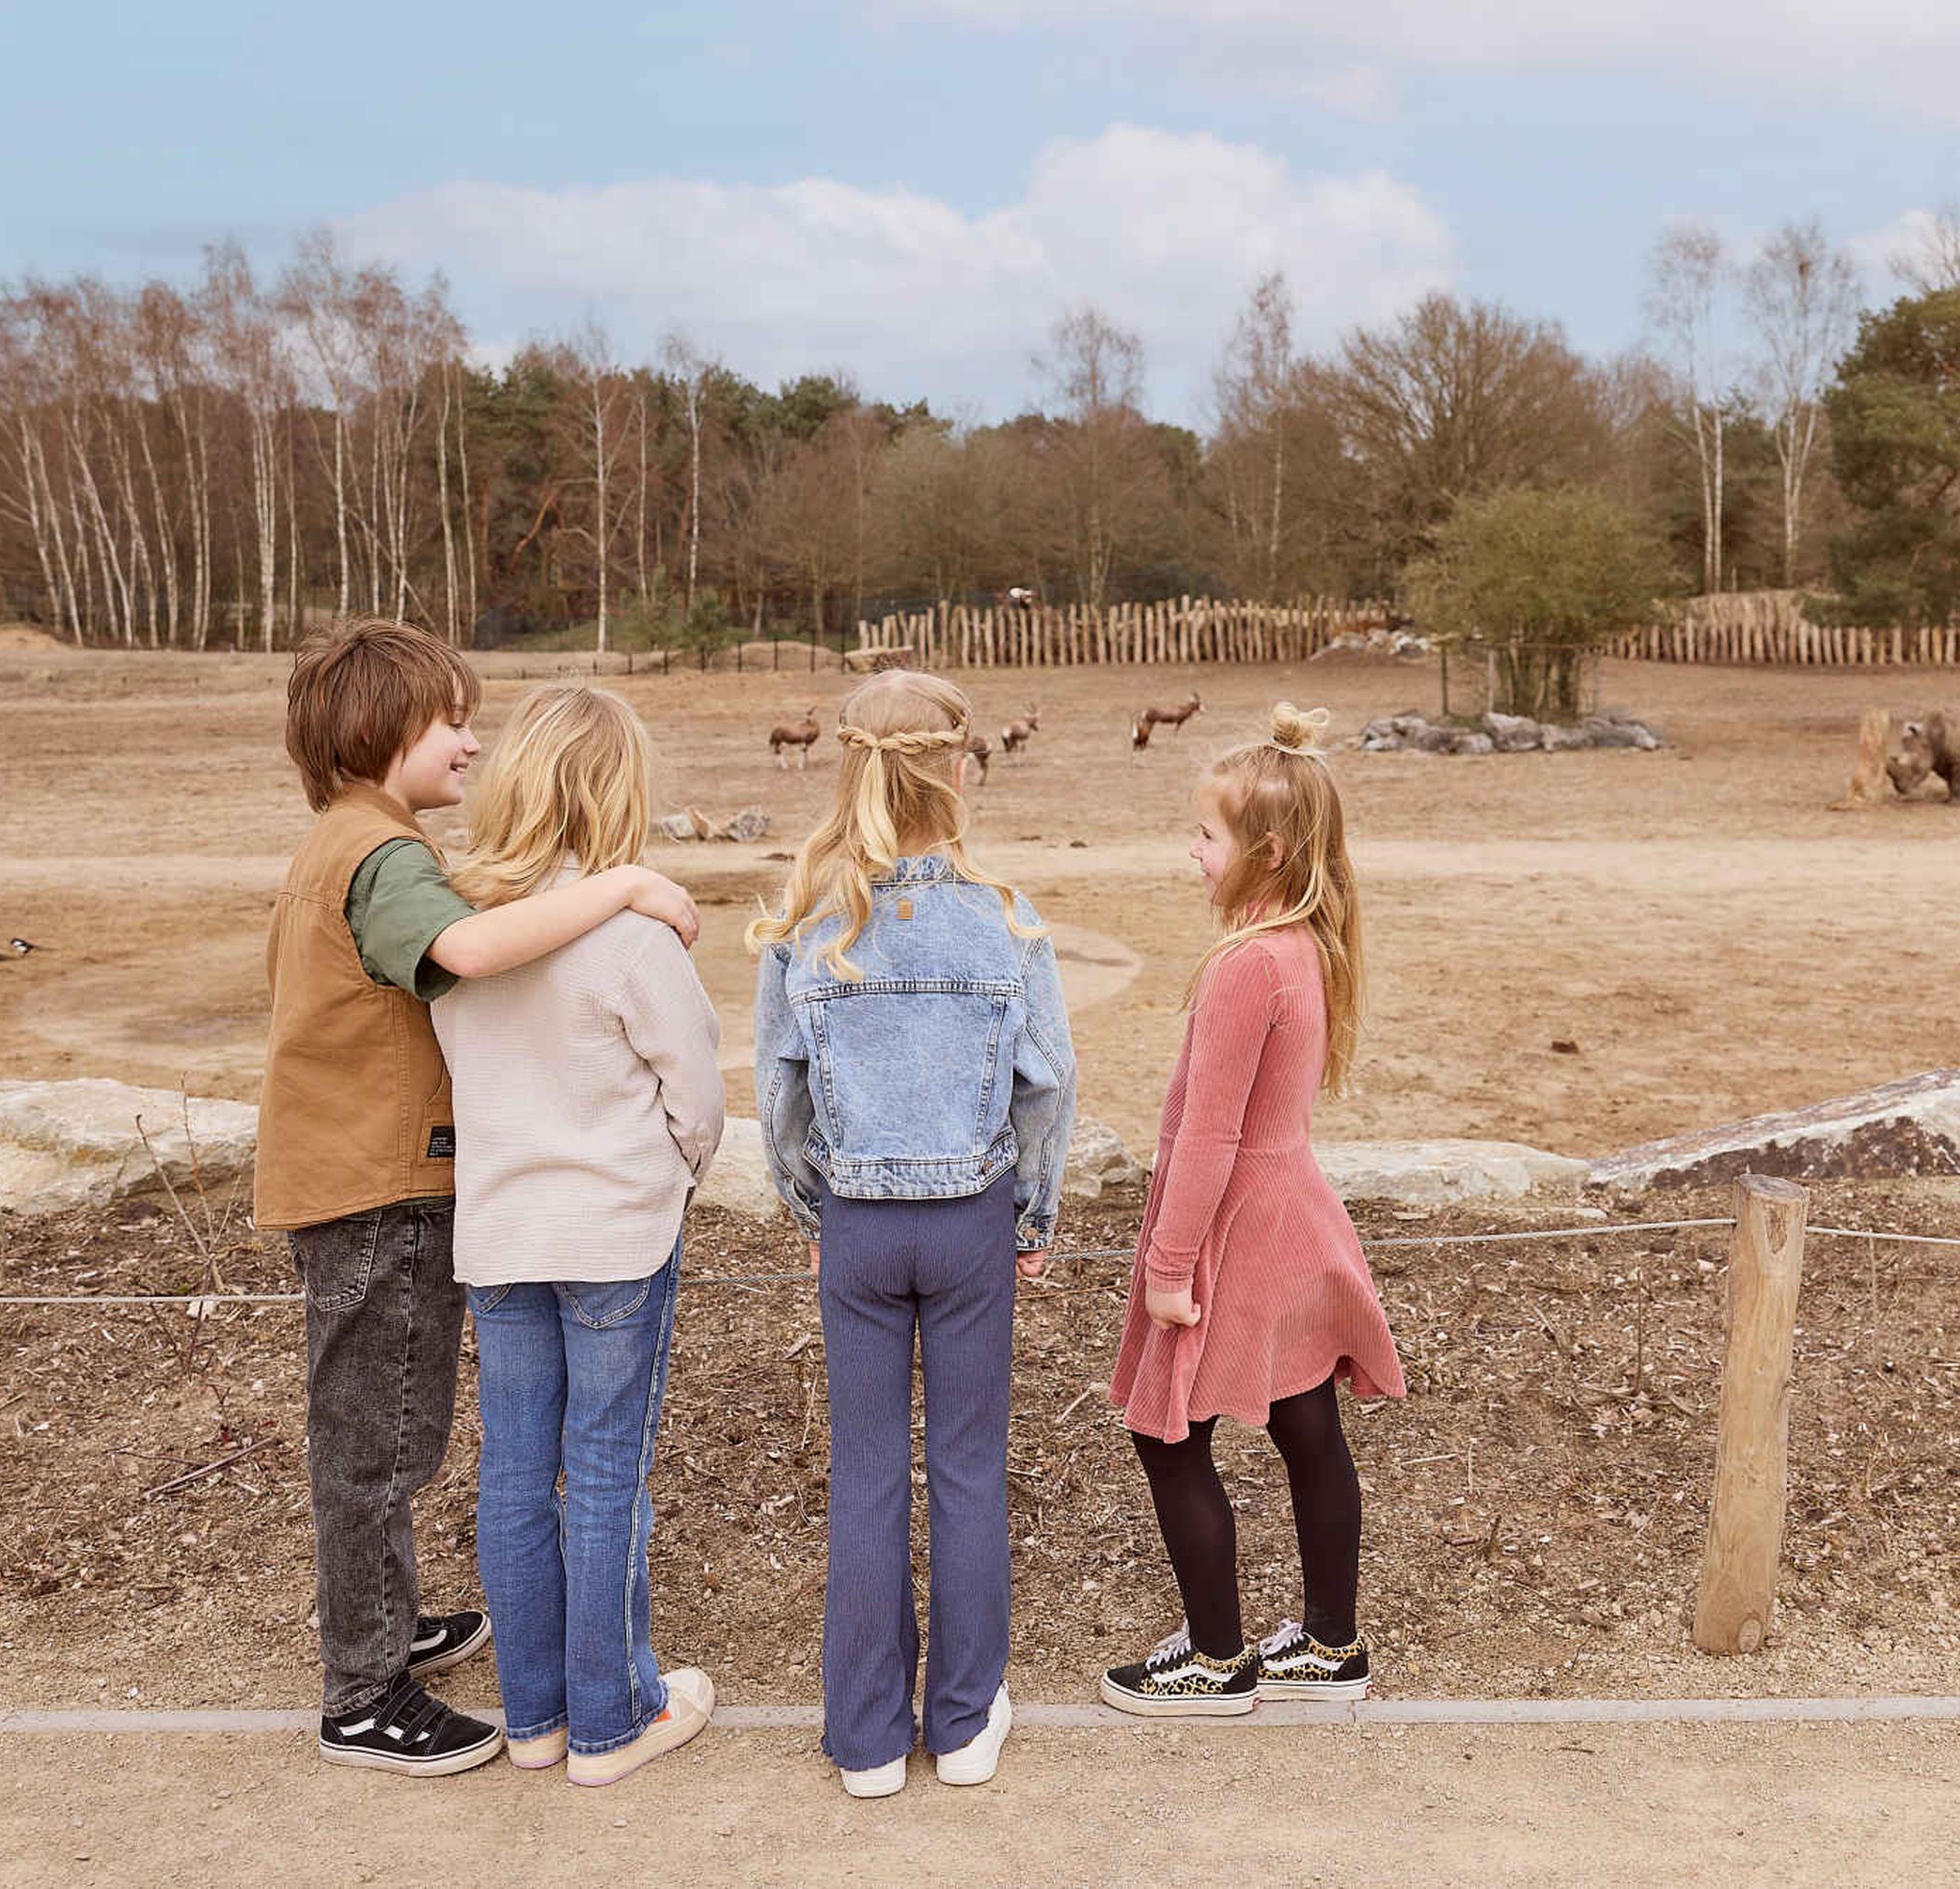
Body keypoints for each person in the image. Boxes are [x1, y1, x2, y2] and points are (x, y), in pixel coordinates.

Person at [252, 620, 698, 1776]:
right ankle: (363, 1687)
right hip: (379, 1186)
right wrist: (626, 887)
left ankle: (396, 1627)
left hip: (426, 1196)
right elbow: (469, 953)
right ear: (381, 729)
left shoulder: (353, 841)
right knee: (379, 1447)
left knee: (445, 1445)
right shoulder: (383, 857)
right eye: (451, 719)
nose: (471, 740)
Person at [754, 669, 1076, 1799]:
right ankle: (966, 1717)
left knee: (867, 1473)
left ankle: (868, 1739)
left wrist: (812, 1207)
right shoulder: (1004, 920)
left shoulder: (803, 923)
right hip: (971, 1223)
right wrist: (1031, 1212)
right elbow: (1049, 1086)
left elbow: (778, 1094)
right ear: (957, 766)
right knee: (970, 1466)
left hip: (858, 1226)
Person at [432, 684, 724, 1787]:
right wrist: (673, 1176)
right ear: (619, 796)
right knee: (603, 1474)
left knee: (513, 1473)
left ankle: (536, 1719)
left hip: (501, 1232)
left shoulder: (465, 934)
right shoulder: (632, 939)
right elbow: (696, 1095)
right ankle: (613, 1721)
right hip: (613, 1237)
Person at [1102, 703, 1403, 1717]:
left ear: (1265, 852)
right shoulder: (1304, 945)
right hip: (1297, 1219)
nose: (1190, 852)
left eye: (1206, 836)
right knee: (1304, 1419)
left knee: (1169, 1432)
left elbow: (1208, 1139)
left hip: (1240, 1224)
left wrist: (1169, 1266)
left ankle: (1218, 1659)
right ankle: (1329, 1645)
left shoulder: (1243, 966)